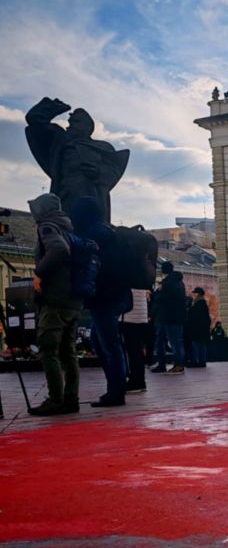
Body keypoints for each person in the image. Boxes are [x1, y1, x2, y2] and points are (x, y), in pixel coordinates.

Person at [25, 98, 129, 224]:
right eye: (70, 122)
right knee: (64, 232)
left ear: (87, 126)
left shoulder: (102, 147)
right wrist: (52, 107)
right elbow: (34, 119)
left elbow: (114, 170)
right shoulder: (61, 140)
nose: (70, 125)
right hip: (64, 197)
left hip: (92, 199)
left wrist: (98, 172)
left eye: (75, 122)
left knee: (91, 233)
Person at [26, 194, 82, 416]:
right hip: (72, 299)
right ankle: (71, 398)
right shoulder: (67, 227)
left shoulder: (47, 227)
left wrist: (39, 274)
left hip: (56, 299)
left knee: (49, 348)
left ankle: (56, 399)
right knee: (68, 350)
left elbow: (58, 250)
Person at [72, 196, 130, 407]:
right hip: (116, 295)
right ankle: (115, 388)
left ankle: (116, 391)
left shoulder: (92, 235)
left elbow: (88, 264)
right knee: (100, 340)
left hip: (104, 296)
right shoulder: (109, 231)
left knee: (108, 343)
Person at [153, 261, 187, 375]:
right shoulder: (179, 282)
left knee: (172, 341)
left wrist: (157, 292)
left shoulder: (167, 283)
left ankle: (177, 366)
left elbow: (160, 299)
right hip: (178, 316)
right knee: (177, 341)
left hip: (168, 316)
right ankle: (178, 364)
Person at [121, 289, 151, 394]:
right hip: (141, 315)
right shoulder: (143, 276)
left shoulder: (129, 276)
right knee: (137, 350)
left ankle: (135, 381)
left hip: (129, 315)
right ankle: (139, 381)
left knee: (132, 351)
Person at [186, 287, 211, 368]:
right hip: (202, 329)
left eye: (195, 293)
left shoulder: (199, 304)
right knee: (202, 344)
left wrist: (189, 310)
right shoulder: (203, 303)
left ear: (198, 294)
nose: (193, 295)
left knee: (196, 344)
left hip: (197, 329)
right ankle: (202, 361)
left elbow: (193, 315)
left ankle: (196, 361)